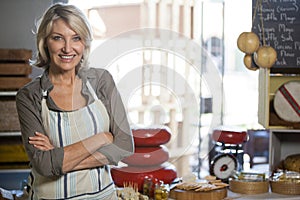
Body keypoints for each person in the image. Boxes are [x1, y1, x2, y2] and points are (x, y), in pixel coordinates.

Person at [16, 3, 134, 200]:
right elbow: (44, 165)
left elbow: (124, 146)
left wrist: (59, 160)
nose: (67, 48)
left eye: (76, 38)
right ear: (45, 42)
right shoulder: (30, 96)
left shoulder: (101, 82)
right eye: (57, 38)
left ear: (85, 43)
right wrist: (102, 138)